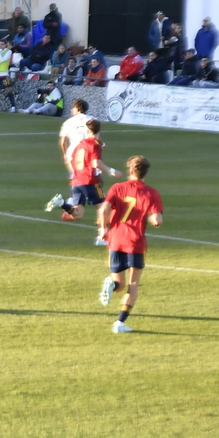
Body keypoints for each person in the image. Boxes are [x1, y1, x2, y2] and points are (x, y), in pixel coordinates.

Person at [98, 155, 164, 333]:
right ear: (146, 172)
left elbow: (104, 209)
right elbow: (157, 220)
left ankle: (111, 284)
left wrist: (104, 229)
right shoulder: (152, 193)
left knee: (118, 285)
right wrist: (152, 218)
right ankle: (119, 323)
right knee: (133, 284)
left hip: (116, 239)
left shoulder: (117, 187)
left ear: (130, 170)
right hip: (135, 243)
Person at [49, 118, 116, 232]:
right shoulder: (95, 145)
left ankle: (61, 202)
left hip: (76, 181)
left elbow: (72, 160)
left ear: (87, 130)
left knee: (78, 214)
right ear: (99, 131)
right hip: (89, 181)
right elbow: (96, 163)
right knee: (102, 208)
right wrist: (111, 171)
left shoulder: (80, 145)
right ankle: (102, 236)